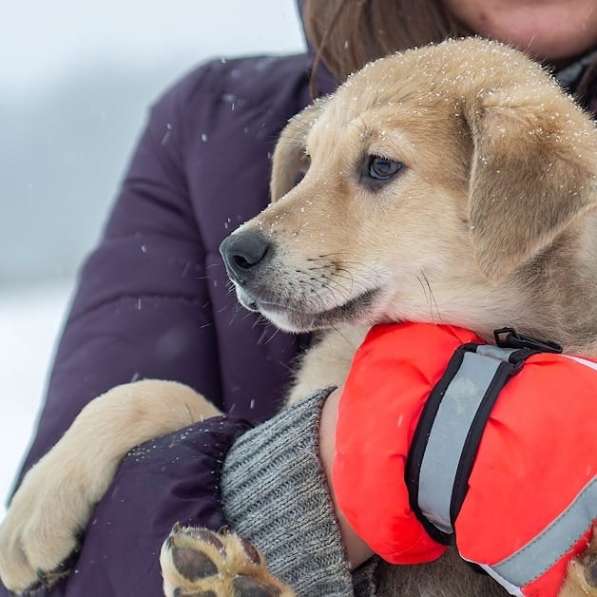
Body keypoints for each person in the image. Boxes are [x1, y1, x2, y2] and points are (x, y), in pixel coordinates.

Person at [3, 1, 597, 595]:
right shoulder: (213, 125)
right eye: (308, 166)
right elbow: (50, 582)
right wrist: (309, 485)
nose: (261, 229)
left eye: (379, 166)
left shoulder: (524, 154)